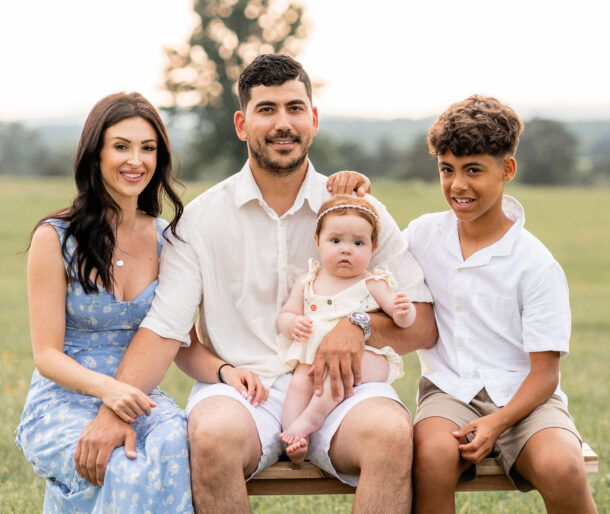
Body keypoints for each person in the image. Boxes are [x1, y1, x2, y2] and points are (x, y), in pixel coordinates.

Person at [75, 54, 437, 513]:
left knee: (390, 433)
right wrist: (112, 411)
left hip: (341, 389)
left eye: (294, 108)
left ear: (314, 119)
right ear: (243, 124)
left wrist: (359, 325)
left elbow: (423, 324)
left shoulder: (359, 210)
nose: (282, 123)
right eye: (267, 110)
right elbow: (166, 329)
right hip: (242, 392)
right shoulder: (199, 221)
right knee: (209, 435)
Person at [15, 92, 266, 513]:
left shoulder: (170, 242)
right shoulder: (55, 238)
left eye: (148, 148)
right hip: (65, 399)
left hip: (141, 399)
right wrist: (109, 390)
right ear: (95, 155)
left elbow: (179, 344)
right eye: (122, 146)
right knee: (124, 465)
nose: (137, 160)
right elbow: (46, 355)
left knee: (174, 449)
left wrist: (225, 371)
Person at [404, 95, 597, 512]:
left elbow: (545, 375)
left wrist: (497, 422)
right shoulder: (421, 236)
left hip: (526, 398)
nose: (457, 185)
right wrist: (353, 188)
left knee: (564, 465)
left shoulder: (536, 264)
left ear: (506, 169)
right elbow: (368, 242)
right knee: (431, 457)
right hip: (448, 391)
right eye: (447, 169)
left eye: (473, 170)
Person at [277, 194, 419, 463]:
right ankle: (293, 438)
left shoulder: (372, 283)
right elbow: (286, 314)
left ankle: (311, 418)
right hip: (314, 358)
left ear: (373, 248)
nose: (346, 249)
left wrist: (404, 311)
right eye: (336, 241)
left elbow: (403, 321)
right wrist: (291, 324)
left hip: (364, 360)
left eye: (358, 243)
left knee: (335, 375)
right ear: (317, 241)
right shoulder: (308, 281)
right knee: (298, 382)